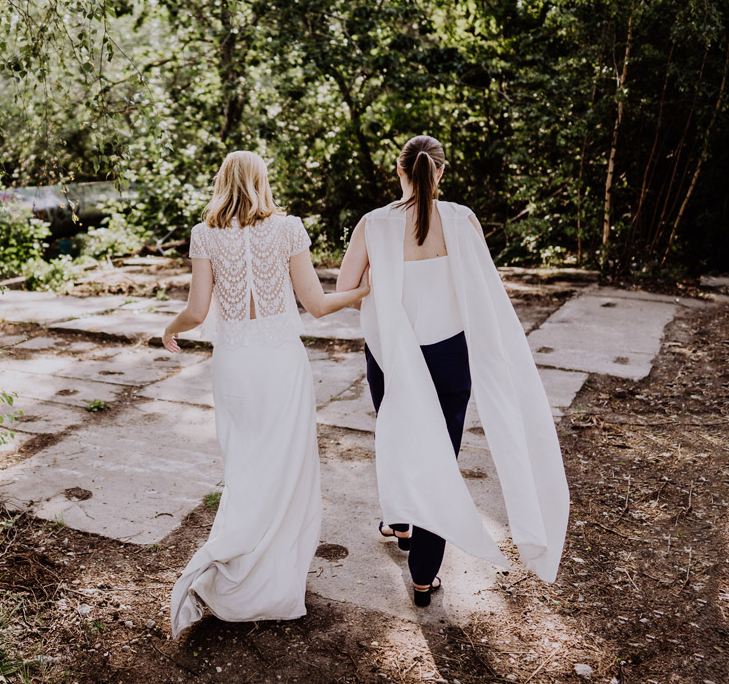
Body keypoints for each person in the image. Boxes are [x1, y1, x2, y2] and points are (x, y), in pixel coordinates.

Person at [336, 135, 570, 606]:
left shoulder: (373, 224)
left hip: (392, 356)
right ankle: (423, 574)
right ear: (440, 171)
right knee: (440, 456)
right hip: (449, 356)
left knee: (400, 437)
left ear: (398, 170)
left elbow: (346, 288)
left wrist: (380, 279)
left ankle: (400, 522)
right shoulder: (463, 220)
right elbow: (480, 291)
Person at [163, 151, 369, 638]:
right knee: (287, 467)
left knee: (245, 466)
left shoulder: (204, 234)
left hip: (235, 363)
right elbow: (316, 304)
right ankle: (272, 580)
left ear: (222, 181)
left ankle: (238, 562)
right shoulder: (289, 227)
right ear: (261, 181)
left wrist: (169, 330)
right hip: (280, 361)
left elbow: (195, 311)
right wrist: (362, 291)